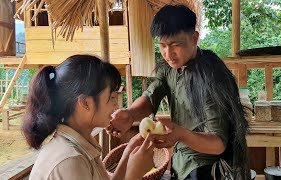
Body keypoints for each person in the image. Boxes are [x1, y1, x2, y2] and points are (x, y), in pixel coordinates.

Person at [107, 4, 251, 180]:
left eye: (176, 44)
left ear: (195, 38)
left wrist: (180, 134)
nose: (168, 54)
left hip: (209, 169)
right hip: (180, 163)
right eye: (162, 45)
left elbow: (218, 144)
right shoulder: (168, 69)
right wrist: (130, 114)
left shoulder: (212, 77)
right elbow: (151, 98)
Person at [23, 55, 154, 180]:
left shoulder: (80, 143)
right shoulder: (70, 160)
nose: (116, 105)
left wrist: (127, 155)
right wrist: (134, 174)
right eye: (112, 98)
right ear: (85, 103)